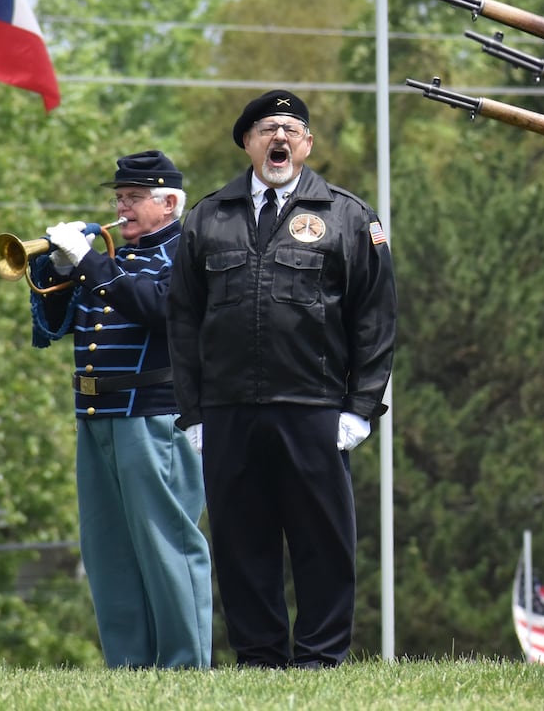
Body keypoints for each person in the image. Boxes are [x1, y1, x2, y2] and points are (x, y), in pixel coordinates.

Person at [167, 89, 397, 669]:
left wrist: (361, 408)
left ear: (308, 145)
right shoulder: (207, 217)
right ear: (247, 142)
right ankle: (260, 659)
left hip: (315, 408)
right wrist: (192, 413)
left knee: (323, 541)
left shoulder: (347, 214)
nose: (280, 138)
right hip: (228, 410)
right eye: (268, 128)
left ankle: (321, 659)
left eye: (292, 129)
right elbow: (183, 320)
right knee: (242, 544)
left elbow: (375, 317)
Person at [33, 150, 211, 668]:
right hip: (97, 417)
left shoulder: (187, 251)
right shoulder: (112, 255)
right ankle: (128, 666)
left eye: (133, 198)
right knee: (108, 551)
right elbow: (54, 326)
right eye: (119, 198)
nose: (122, 207)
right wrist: (58, 268)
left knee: (167, 544)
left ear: (169, 203)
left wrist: (89, 263)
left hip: (153, 415)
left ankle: (185, 665)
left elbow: (159, 309)